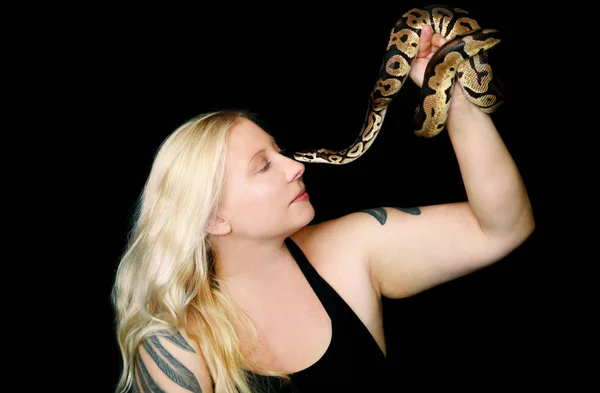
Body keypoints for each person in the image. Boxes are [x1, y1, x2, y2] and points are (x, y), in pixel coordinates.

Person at [111, 24, 534, 393]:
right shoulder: (175, 341)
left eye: (279, 151)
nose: (296, 166)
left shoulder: (349, 250)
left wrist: (447, 87)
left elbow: (503, 228)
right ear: (214, 218)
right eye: (263, 166)